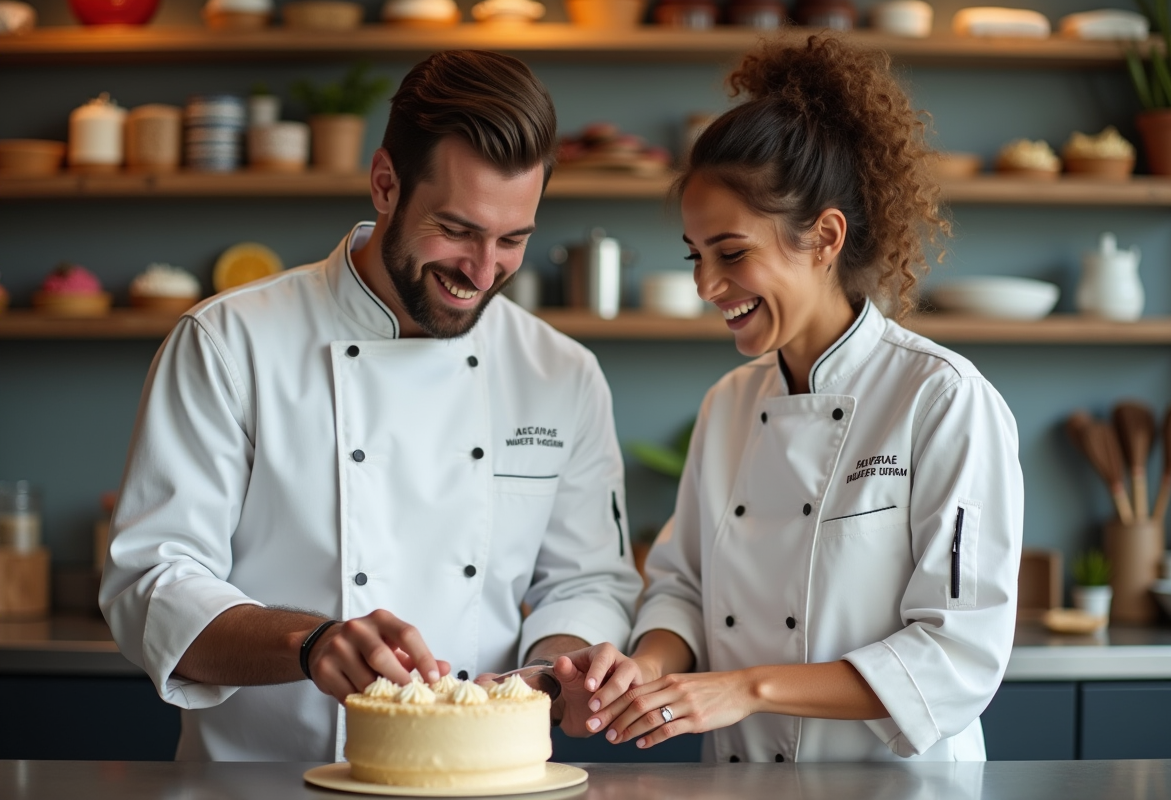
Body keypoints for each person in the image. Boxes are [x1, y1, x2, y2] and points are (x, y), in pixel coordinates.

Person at [99, 50, 643, 761]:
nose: (483, 272)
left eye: (512, 240)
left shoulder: (561, 371)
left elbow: (588, 579)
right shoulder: (230, 342)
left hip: (483, 778)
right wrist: (311, 644)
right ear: (385, 184)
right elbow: (152, 585)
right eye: (457, 229)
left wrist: (563, 664)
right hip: (265, 784)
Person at [561, 35, 1023, 763]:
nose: (707, 287)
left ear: (825, 237)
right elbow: (680, 587)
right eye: (696, 255)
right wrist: (645, 669)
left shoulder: (940, 400)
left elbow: (957, 653)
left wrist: (744, 688)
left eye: (733, 253)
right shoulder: (728, 405)